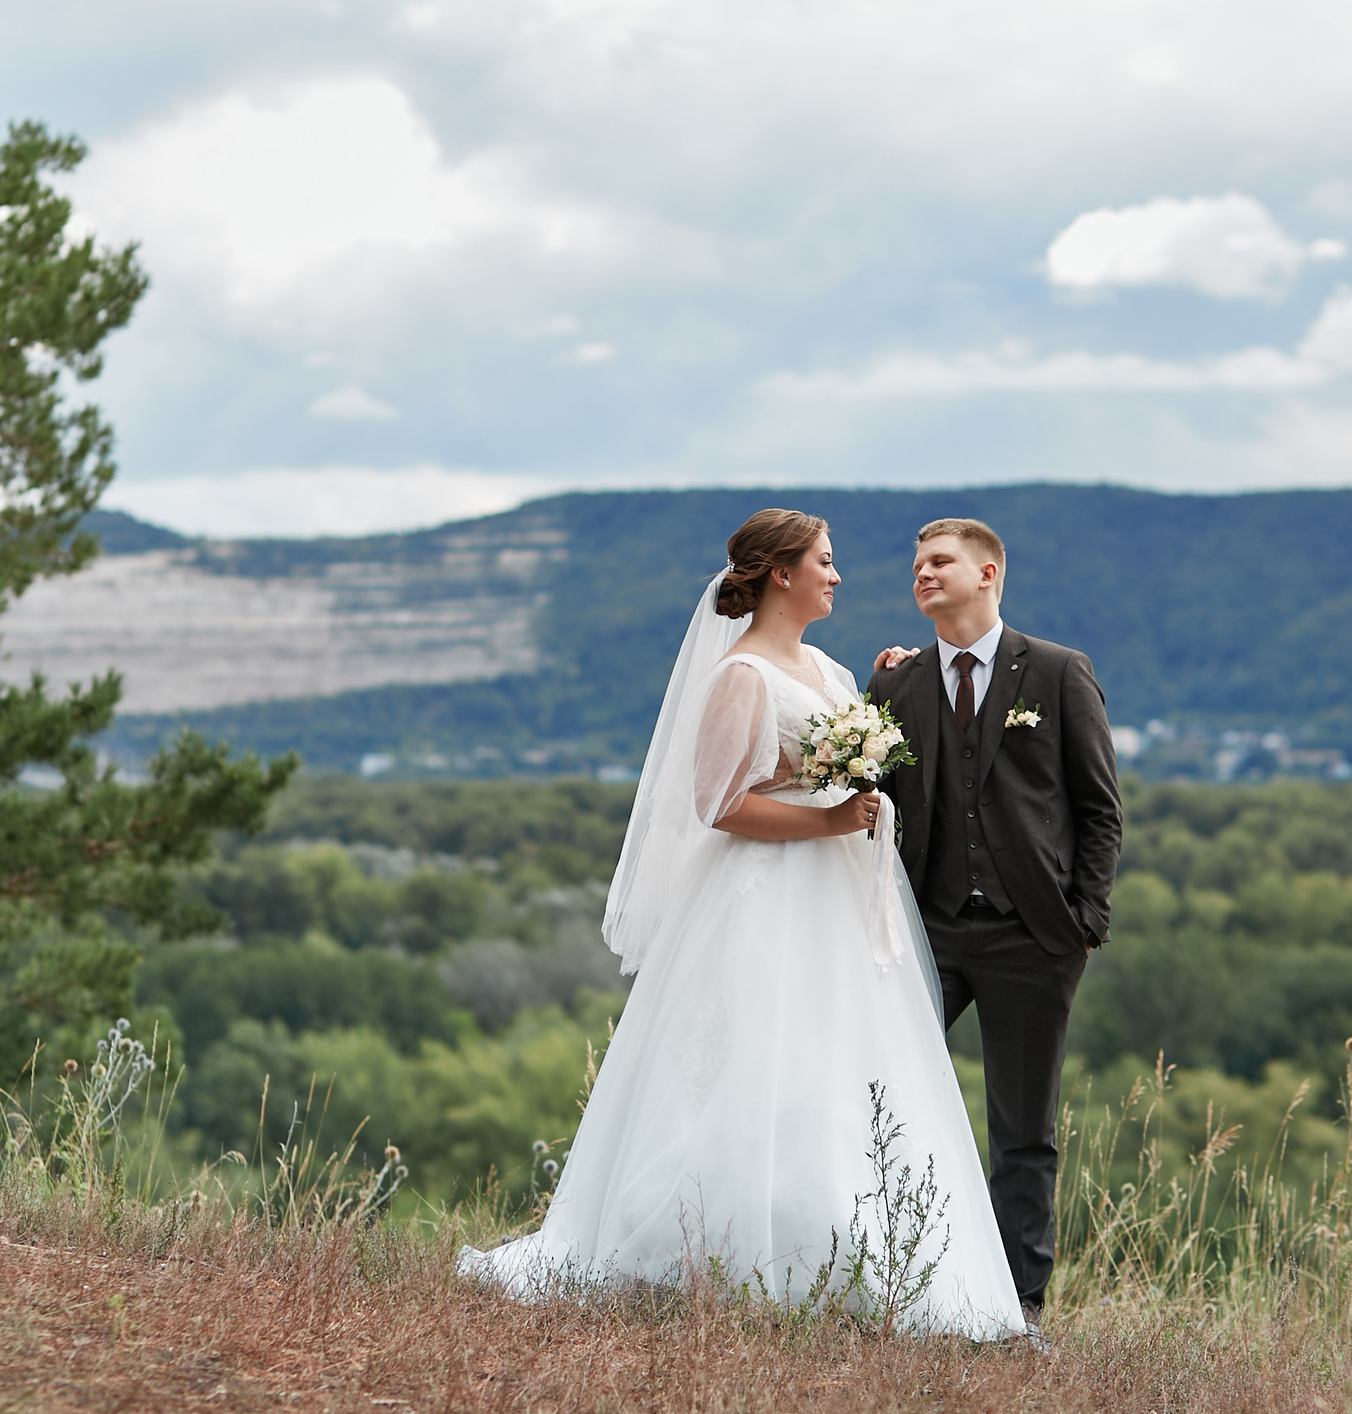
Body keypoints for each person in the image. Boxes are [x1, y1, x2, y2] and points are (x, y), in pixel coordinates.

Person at [459, 509, 1030, 1339]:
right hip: (761, 899)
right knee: (753, 1060)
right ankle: (713, 1250)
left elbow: (870, 744)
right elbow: (720, 804)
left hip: (836, 900)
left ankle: (854, 1253)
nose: (837, 575)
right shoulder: (740, 676)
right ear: (781, 574)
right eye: (825, 562)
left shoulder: (832, 669)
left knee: (836, 1068)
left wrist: (895, 681)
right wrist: (832, 821)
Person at [867, 518, 1121, 1332]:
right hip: (923, 936)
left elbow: (1098, 809)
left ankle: (1019, 1311)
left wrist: (1083, 919)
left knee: (1023, 1132)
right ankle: (899, 1284)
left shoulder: (1054, 672)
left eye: (939, 561)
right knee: (877, 1102)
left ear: (987, 573)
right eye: (916, 564)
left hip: (1033, 938)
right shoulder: (896, 687)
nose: (922, 573)